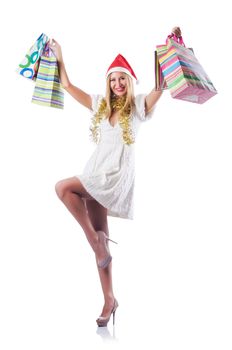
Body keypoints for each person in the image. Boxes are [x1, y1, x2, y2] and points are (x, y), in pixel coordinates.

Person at [49, 26, 182, 327]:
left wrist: (169, 49)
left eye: (123, 78)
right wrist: (60, 57)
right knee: (102, 247)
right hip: (95, 172)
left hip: (115, 177)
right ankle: (109, 298)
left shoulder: (137, 107)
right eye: (113, 78)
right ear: (108, 82)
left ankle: (95, 241)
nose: (118, 83)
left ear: (130, 82)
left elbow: (160, 89)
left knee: (62, 188)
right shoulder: (99, 104)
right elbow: (68, 86)